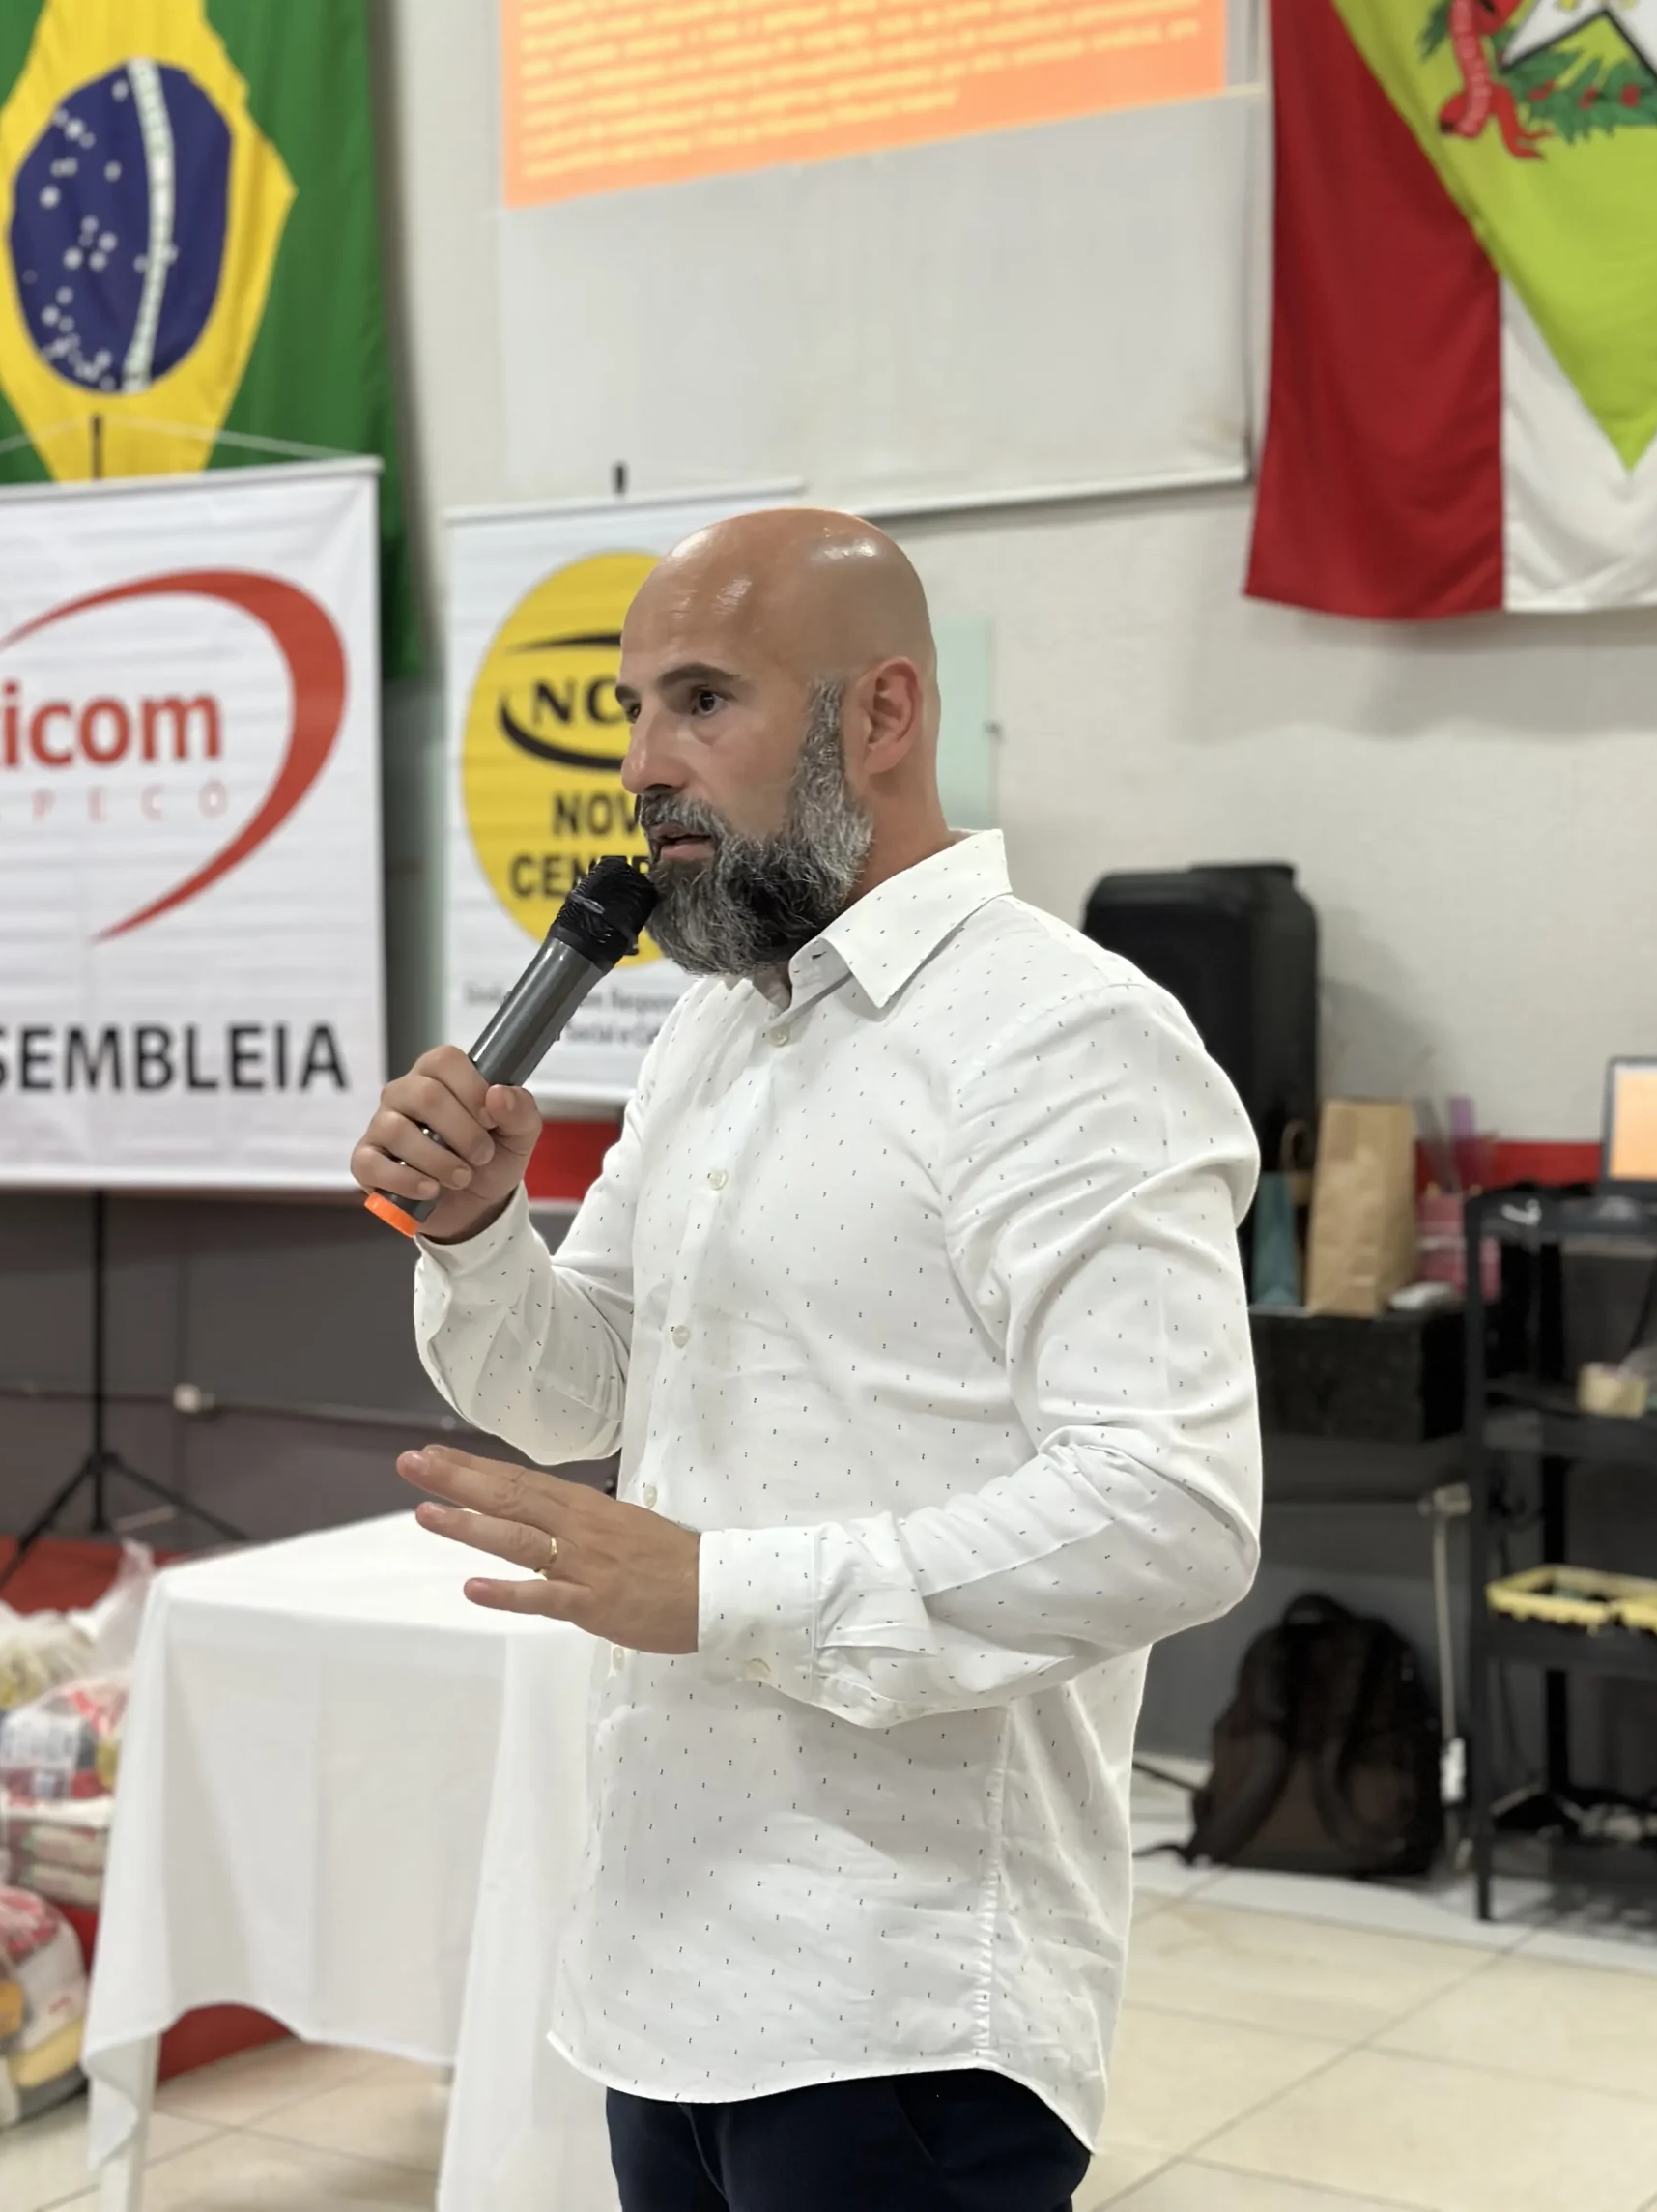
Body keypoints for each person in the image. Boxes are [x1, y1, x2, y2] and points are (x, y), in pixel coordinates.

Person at [352, 508, 1262, 2212]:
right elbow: (581, 1391)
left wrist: (720, 1589)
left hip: (900, 2002)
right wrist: (478, 1235)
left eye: (703, 700)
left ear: (882, 713)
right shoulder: (716, 1029)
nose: (644, 765)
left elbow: (1174, 1511)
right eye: (634, 711)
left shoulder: (1065, 1038)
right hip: (663, 1956)